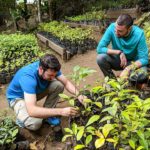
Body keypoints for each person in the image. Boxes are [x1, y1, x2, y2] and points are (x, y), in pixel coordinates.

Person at [6, 54, 86, 131]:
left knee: (58, 85)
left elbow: (66, 83)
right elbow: (32, 111)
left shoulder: (50, 68)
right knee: (35, 123)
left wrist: (79, 95)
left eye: (54, 75)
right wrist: (61, 111)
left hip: (33, 93)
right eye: (50, 75)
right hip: (18, 98)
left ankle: (48, 115)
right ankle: (21, 120)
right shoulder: (28, 78)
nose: (53, 78)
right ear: (40, 69)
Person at [96, 14, 149, 85]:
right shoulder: (112, 27)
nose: (116, 32)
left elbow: (144, 59)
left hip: (134, 63)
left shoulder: (139, 34)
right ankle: (113, 83)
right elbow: (100, 48)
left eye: (120, 31)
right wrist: (119, 52)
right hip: (120, 61)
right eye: (116, 29)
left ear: (129, 28)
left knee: (143, 75)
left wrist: (128, 69)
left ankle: (126, 80)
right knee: (100, 58)